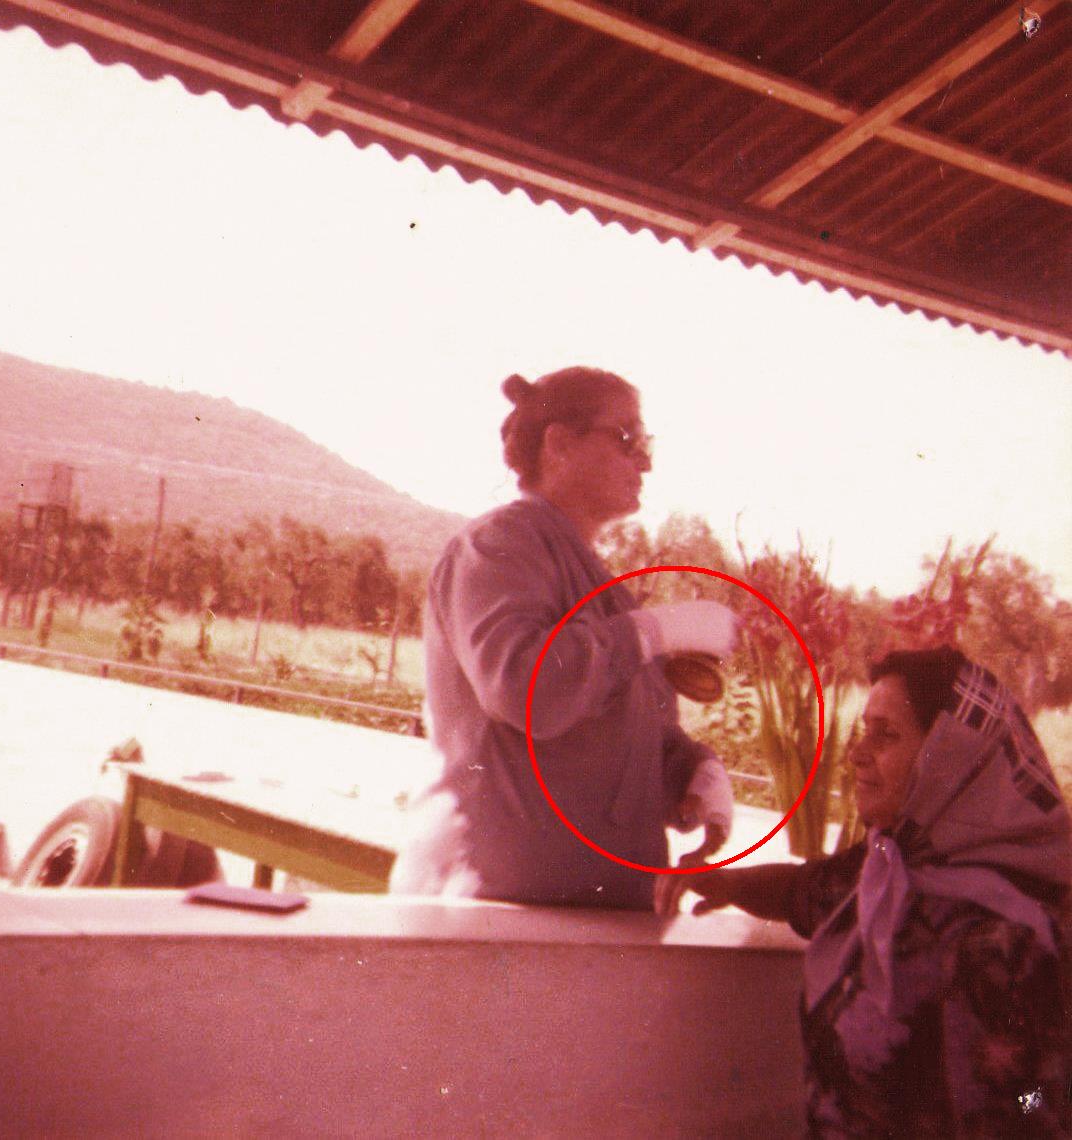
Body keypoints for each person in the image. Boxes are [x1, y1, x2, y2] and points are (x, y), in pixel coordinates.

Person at [657, 646, 1071, 1137]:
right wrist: (723, 882)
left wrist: (1025, 1101)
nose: (856, 754)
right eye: (862, 731)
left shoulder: (1004, 940)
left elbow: (1037, 1105)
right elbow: (805, 890)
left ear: (948, 759)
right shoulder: (893, 869)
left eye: (886, 735)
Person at [389, 366, 738, 908]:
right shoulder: (497, 547)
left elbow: (613, 742)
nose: (645, 462)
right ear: (559, 445)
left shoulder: (604, 591)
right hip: (489, 913)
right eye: (627, 438)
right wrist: (651, 631)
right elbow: (523, 689)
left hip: (590, 913)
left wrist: (689, 771)